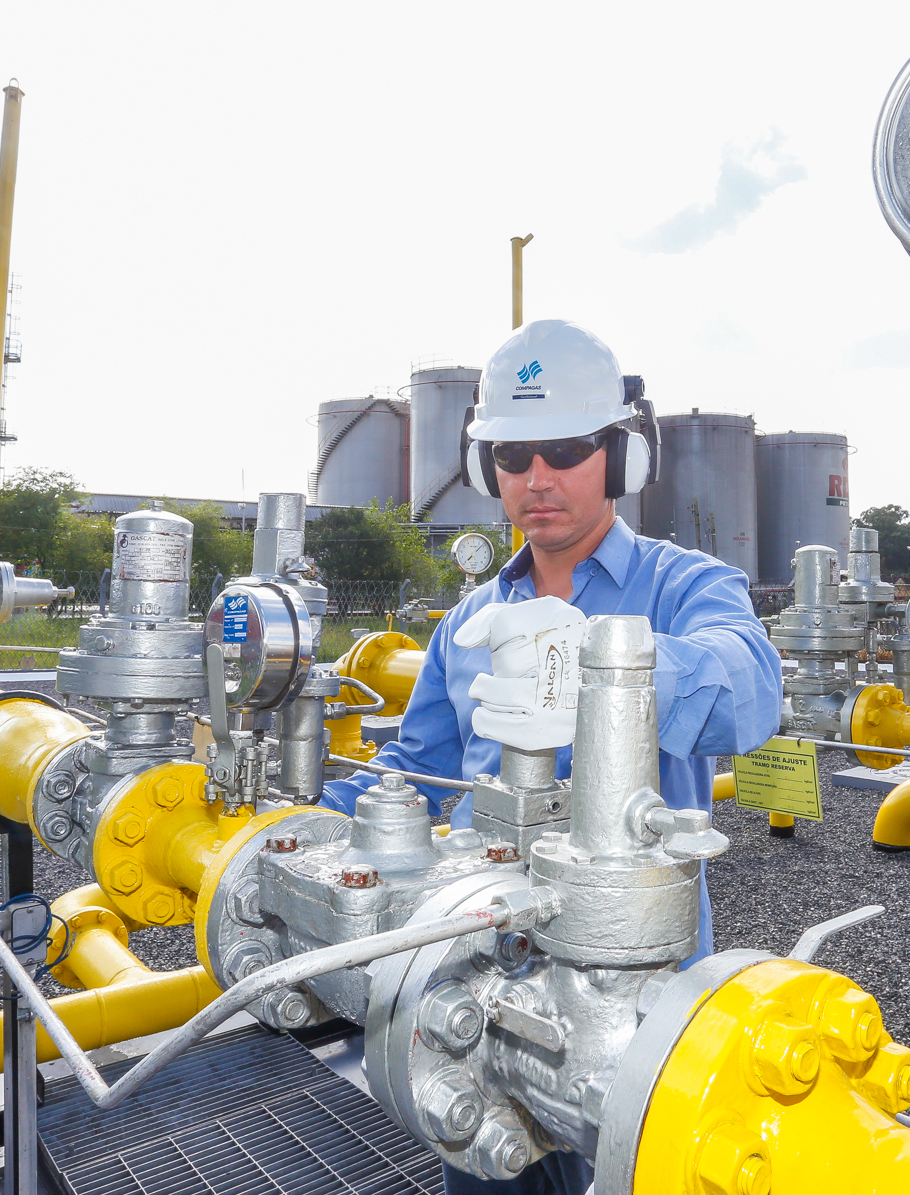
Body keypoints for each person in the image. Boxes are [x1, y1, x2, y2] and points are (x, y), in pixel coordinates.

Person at [320, 318, 782, 1195]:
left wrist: (606, 663)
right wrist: (291, 826)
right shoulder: (466, 624)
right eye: (511, 454)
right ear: (483, 466)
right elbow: (414, 776)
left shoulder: (683, 585)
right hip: (481, 994)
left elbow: (751, 691)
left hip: (635, 1007)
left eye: (566, 449)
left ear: (621, 458)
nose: (537, 479)